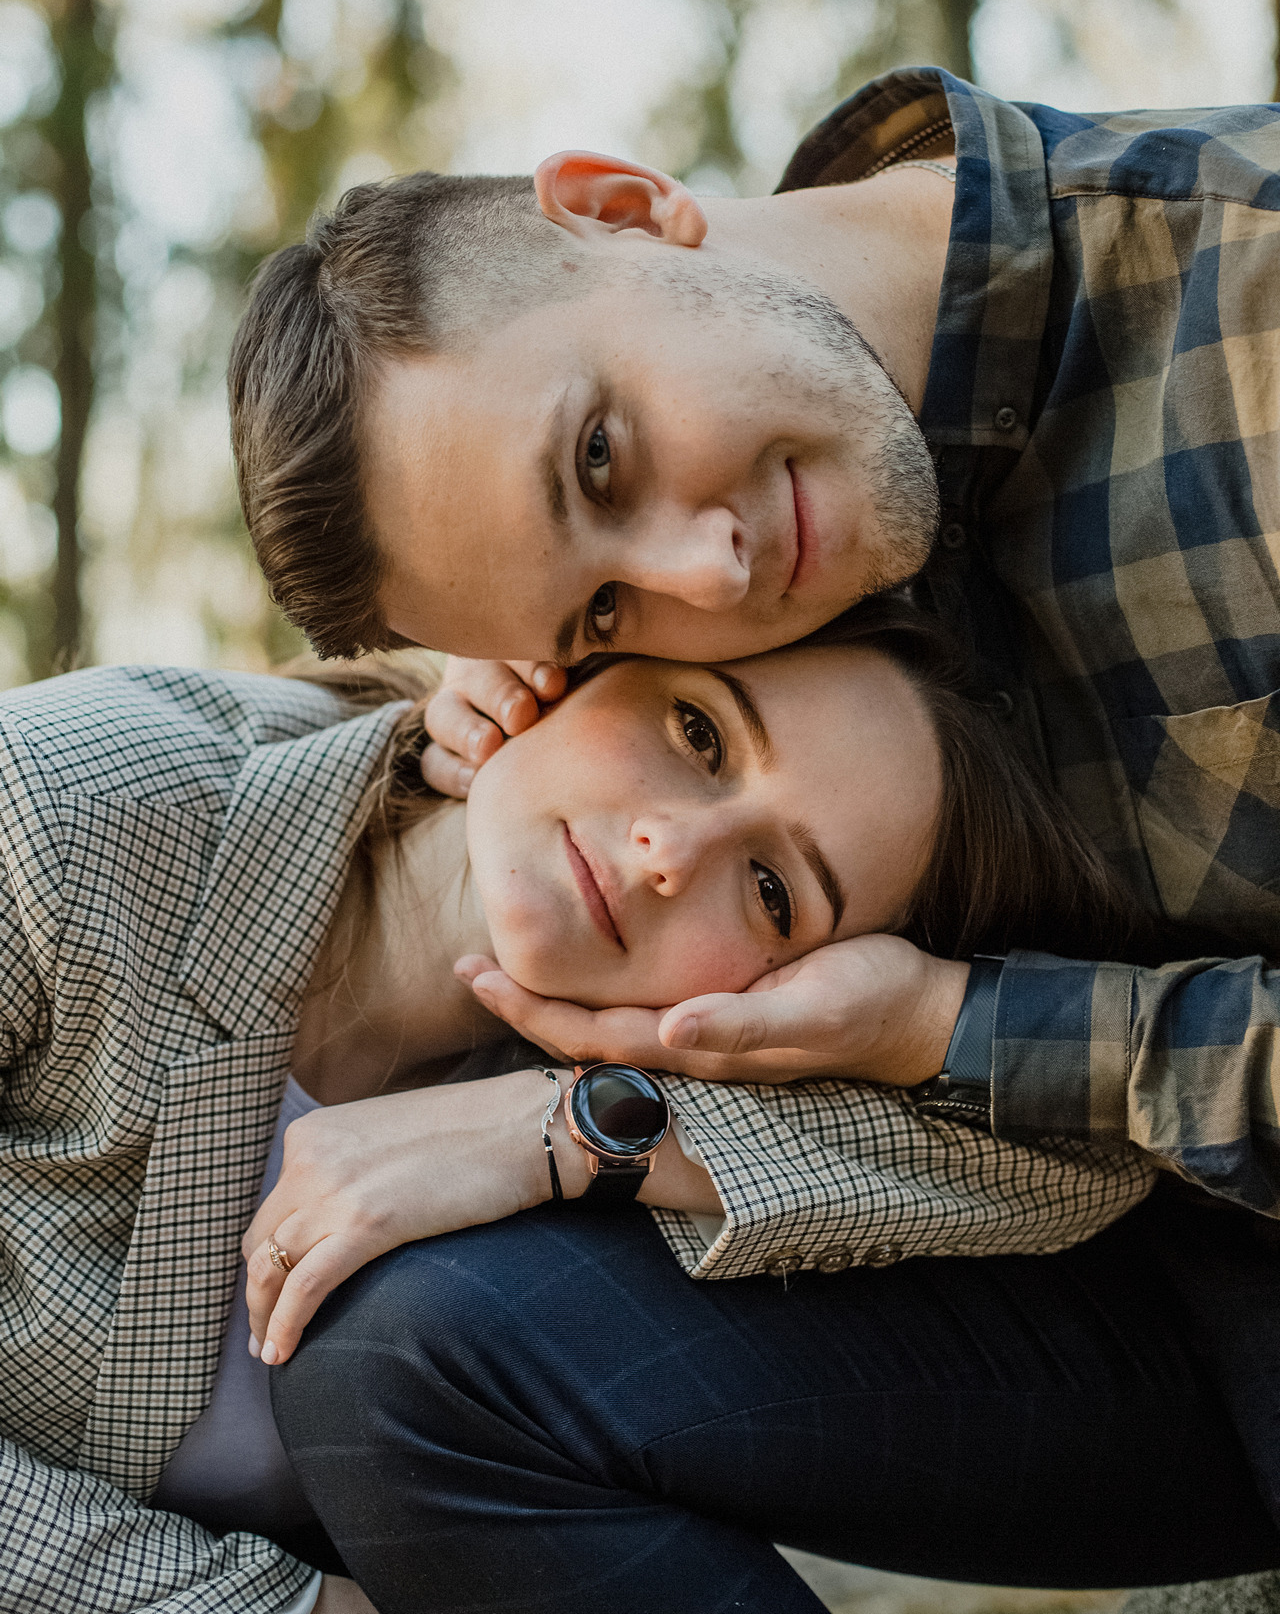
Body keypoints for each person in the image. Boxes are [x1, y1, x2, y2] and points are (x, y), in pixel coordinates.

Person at [228, 64, 1280, 1598]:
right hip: (1113, 1285)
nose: (712, 575)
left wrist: (947, 1021)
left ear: (625, 209)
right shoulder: (802, 449)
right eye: (599, 610)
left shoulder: (1240, 340)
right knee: (409, 1356)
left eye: (600, 453)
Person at [0, 610, 1155, 1614]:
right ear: (570, 662)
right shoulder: (71, 811)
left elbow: (1083, 1159)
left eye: (770, 891)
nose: (669, 847)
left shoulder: (685, 1048)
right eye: (697, 732)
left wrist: (563, 1126)